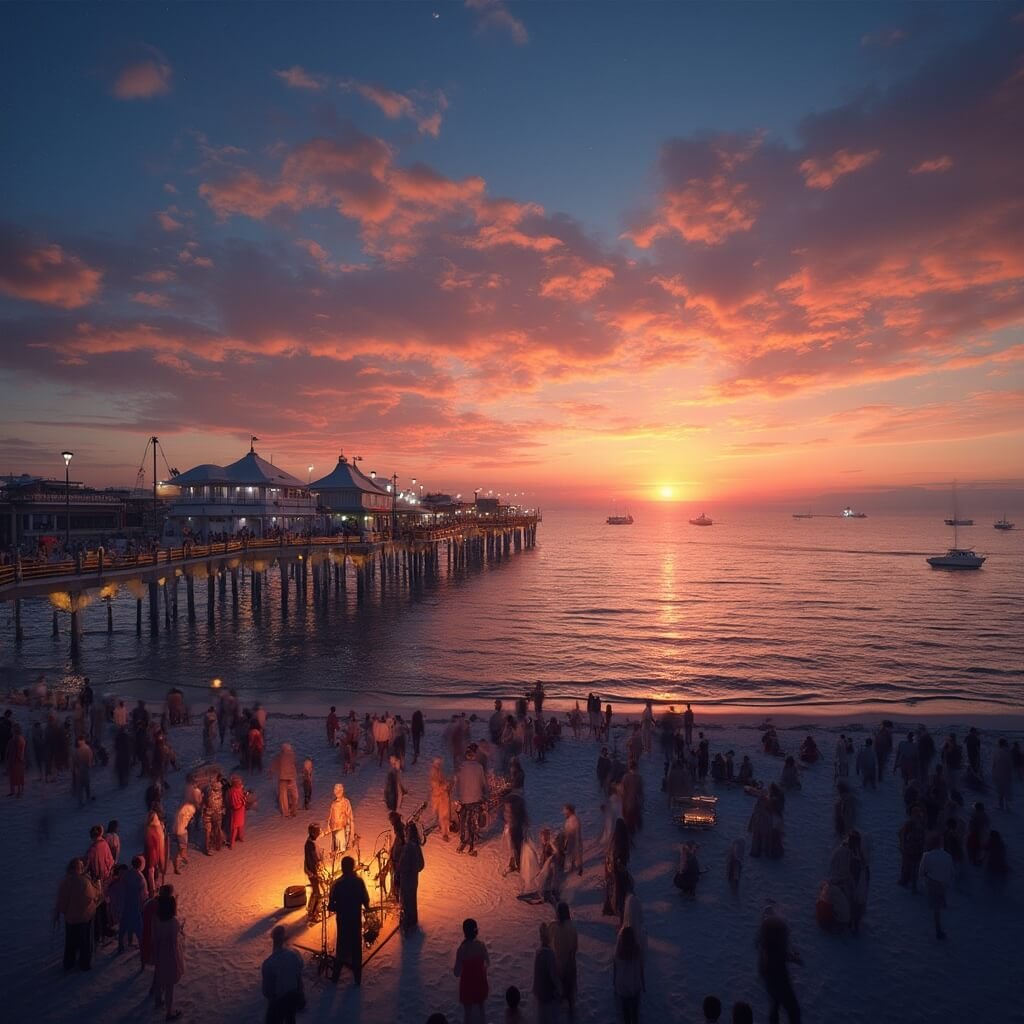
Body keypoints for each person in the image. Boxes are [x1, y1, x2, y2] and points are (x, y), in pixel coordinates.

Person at [328, 856, 370, 985]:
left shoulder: (337, 884)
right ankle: (357, 977)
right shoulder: (359, 882)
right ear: (353, 867)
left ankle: (336, 977)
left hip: (342, 920)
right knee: (356, 946)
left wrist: (340, 906)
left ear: (342, 867)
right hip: (355, 919)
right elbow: (365, 900)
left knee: (341, 945)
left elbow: (331, 906)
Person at [54, 858, 100, 971]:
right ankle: (85, 964)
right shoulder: (85, 882)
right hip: (85, 918)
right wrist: (97, 885)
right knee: (85, 941)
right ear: (80, 868)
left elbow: (62, 901)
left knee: (70, 942)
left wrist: (65, 912)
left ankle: (69, 964)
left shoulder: (65, 882)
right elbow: (94, 895)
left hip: (70, 918)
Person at [757, 911, 802, 1023]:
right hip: (780, 983)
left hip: (771, 982)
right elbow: (782, 954)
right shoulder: (775, 958)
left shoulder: (767, 952)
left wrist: (792, 958)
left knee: (774, 1005)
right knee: (794, 1010)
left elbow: (782, 954)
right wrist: (794, 958)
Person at [152, 888, 185, 1021]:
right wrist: (180, 931)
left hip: (159, 951)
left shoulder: (156, 919)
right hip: (170, 954)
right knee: (170, 984)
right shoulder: (173, 922)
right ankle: (169, 1012)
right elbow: (174, 940)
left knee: (159, 976)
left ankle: (158, 999)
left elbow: (154, 936)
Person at [262, 924, 305, 1024]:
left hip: (277, 1002)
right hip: (292, 998)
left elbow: (267, 991)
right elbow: (299, 972)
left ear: (273, 940)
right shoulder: (294, 956)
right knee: (290, 1018)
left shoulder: (269, 963)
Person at [454, 917, 490, 1024]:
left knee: (467, 1013)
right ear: (476, 931)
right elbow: (487, 963)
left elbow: (457, 972)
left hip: (467, 986)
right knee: (481, 1008)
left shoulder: (462, 949)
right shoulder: (481, 946)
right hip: (480, 983)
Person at [454, 745, 488, 856]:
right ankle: (471, 846)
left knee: (463, 821)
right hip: (476, 799)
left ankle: (462, 841)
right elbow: (483, 783)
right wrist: (485, 796)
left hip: (464, 800)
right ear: (474, 755)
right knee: (473, 822)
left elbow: (457, 783)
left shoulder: (461, 767)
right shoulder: (479, 767)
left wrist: (457, 798)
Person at [919, 834, 954, 940]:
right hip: (944, 883)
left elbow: (922, 871)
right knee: (939, 905)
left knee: (936, 908)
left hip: (933, 882)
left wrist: (923, 880)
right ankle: (939, 928)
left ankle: (938, 929)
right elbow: (952, 871)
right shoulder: (948, 856)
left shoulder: (927, 855)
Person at [548, 902, 578, 1015]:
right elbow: (575, 947)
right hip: (570, 962)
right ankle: (571, 1005)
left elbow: (548, 941)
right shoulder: (572, 927)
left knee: (559, 983)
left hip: (558, 962)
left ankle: (560, 998)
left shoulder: (553, 927)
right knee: (570, 984)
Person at [613, 925, 644, 1023]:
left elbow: (616, 969)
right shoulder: (637, 951)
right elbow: (640, 968)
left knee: (625, 1011)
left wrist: (615, 983)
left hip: (623, 987)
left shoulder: (618, 953)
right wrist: (643, 983)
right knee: (635, 1012)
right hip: (635, 985)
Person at [532, 922, 561, 1023]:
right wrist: (559, 989)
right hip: (548, 993)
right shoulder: (550, 954)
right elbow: (554, 976)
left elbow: (536, 974)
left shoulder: (538, 952)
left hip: (540, 992)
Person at [399, 822, 425, 933]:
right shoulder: (416, 846)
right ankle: (412, 921)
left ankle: (408, 923)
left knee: (406, 901)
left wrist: (406, 871)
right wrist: (414, 871)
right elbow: (421, 865)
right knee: (412, 901)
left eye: (407, 832)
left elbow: (402, 865)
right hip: (413, 880)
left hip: (407, 880)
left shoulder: (409, 847)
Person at [118, 856, 147, 954]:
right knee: (138, 927)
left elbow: (122, 888)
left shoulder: (126, 874)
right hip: (136, 905)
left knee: (124, 925)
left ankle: (121, 944)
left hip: (126, 904)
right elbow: (143, 894)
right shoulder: (140, 877)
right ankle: (142, 946)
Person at [304, 824, 326, 924]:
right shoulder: (310, 845)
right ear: (313, 833)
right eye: (317, 831)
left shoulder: (312, 843)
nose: (319, 833)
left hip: (314, 871)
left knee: (315, 891)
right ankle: (312, 915)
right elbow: (311, 860)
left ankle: (311, 909)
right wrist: (315, 873)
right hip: (313, 872)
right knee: (317, 893)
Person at [144, 810, 168, 895]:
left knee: (153, 869)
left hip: (154, 852)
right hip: (154, 852)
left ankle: (154, 885)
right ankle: (153, 888)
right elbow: (152, 842)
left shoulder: (153, 828)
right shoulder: (152, 828)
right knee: (152, 870)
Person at [272, 743, 299, 817]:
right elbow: (296, 765)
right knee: (294, 796)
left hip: (284, 779)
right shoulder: (290, 755)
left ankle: (287, 812)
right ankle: (292, 810)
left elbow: (274, 765)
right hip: (289, 778)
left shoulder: (280, 756)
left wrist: (272, 772)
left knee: (284, 797)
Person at [430, 758, 454, 842]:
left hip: (442, 797)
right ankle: (445, 833)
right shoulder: (434, 771)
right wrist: (445, 786)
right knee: (444, 816)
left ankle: (445, 830)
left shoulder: (437, 771)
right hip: (441, 798)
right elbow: (436, 785)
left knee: (444, 816)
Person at [328, 782, 355, 853]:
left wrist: (351, 834)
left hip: (342, 829)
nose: (337, 792)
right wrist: (329, 826)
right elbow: (331, 816)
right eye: (336, 789)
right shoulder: (333, 803)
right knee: (335, 850)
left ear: (342, 791)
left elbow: (350, 818)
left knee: (342, 850)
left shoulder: (346, 802)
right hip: (334, 830)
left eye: (339, 790)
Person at [562, 804, 583, 876]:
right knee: (570, 853)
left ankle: (578, 868)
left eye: (565, 811)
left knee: (575, 853)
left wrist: (576, 840)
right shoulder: (569, 819)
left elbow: (576, 831)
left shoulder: (574, 819)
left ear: (569, 811)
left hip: (574, 840)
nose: (564, 813)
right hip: (570, 840)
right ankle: (572, 867)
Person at [6, 722, 26, 796]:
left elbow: (21, 749)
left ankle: (19, 791)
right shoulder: (13, 738)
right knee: (12, 776)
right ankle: (13, 791)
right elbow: (8, 748)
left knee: (18, 775)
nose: (12, 730)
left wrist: (20, 758)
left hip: (17, 760)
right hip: (12, 759)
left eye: (14, 728)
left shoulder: (19, 738)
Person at [992, 737, 1013, 810]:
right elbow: (1010, 764)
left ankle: (1000, 805)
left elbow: (994, 764)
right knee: (1006, 790)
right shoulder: (1007, 752)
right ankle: (1007, 806)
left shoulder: (996, 752)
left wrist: (993, 773)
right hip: (1005, 773)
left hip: (997, 773)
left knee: (1000, 790)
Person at [227, 774, 246, 847]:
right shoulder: (234, 791)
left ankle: (237, 839)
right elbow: (238, 801)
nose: (240, 784)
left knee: (237, 826)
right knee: (237, 826)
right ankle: (234, 841)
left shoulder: (232, 791)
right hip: (237, 810)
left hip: (237, 811)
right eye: (239, 782)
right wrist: (243, 801)